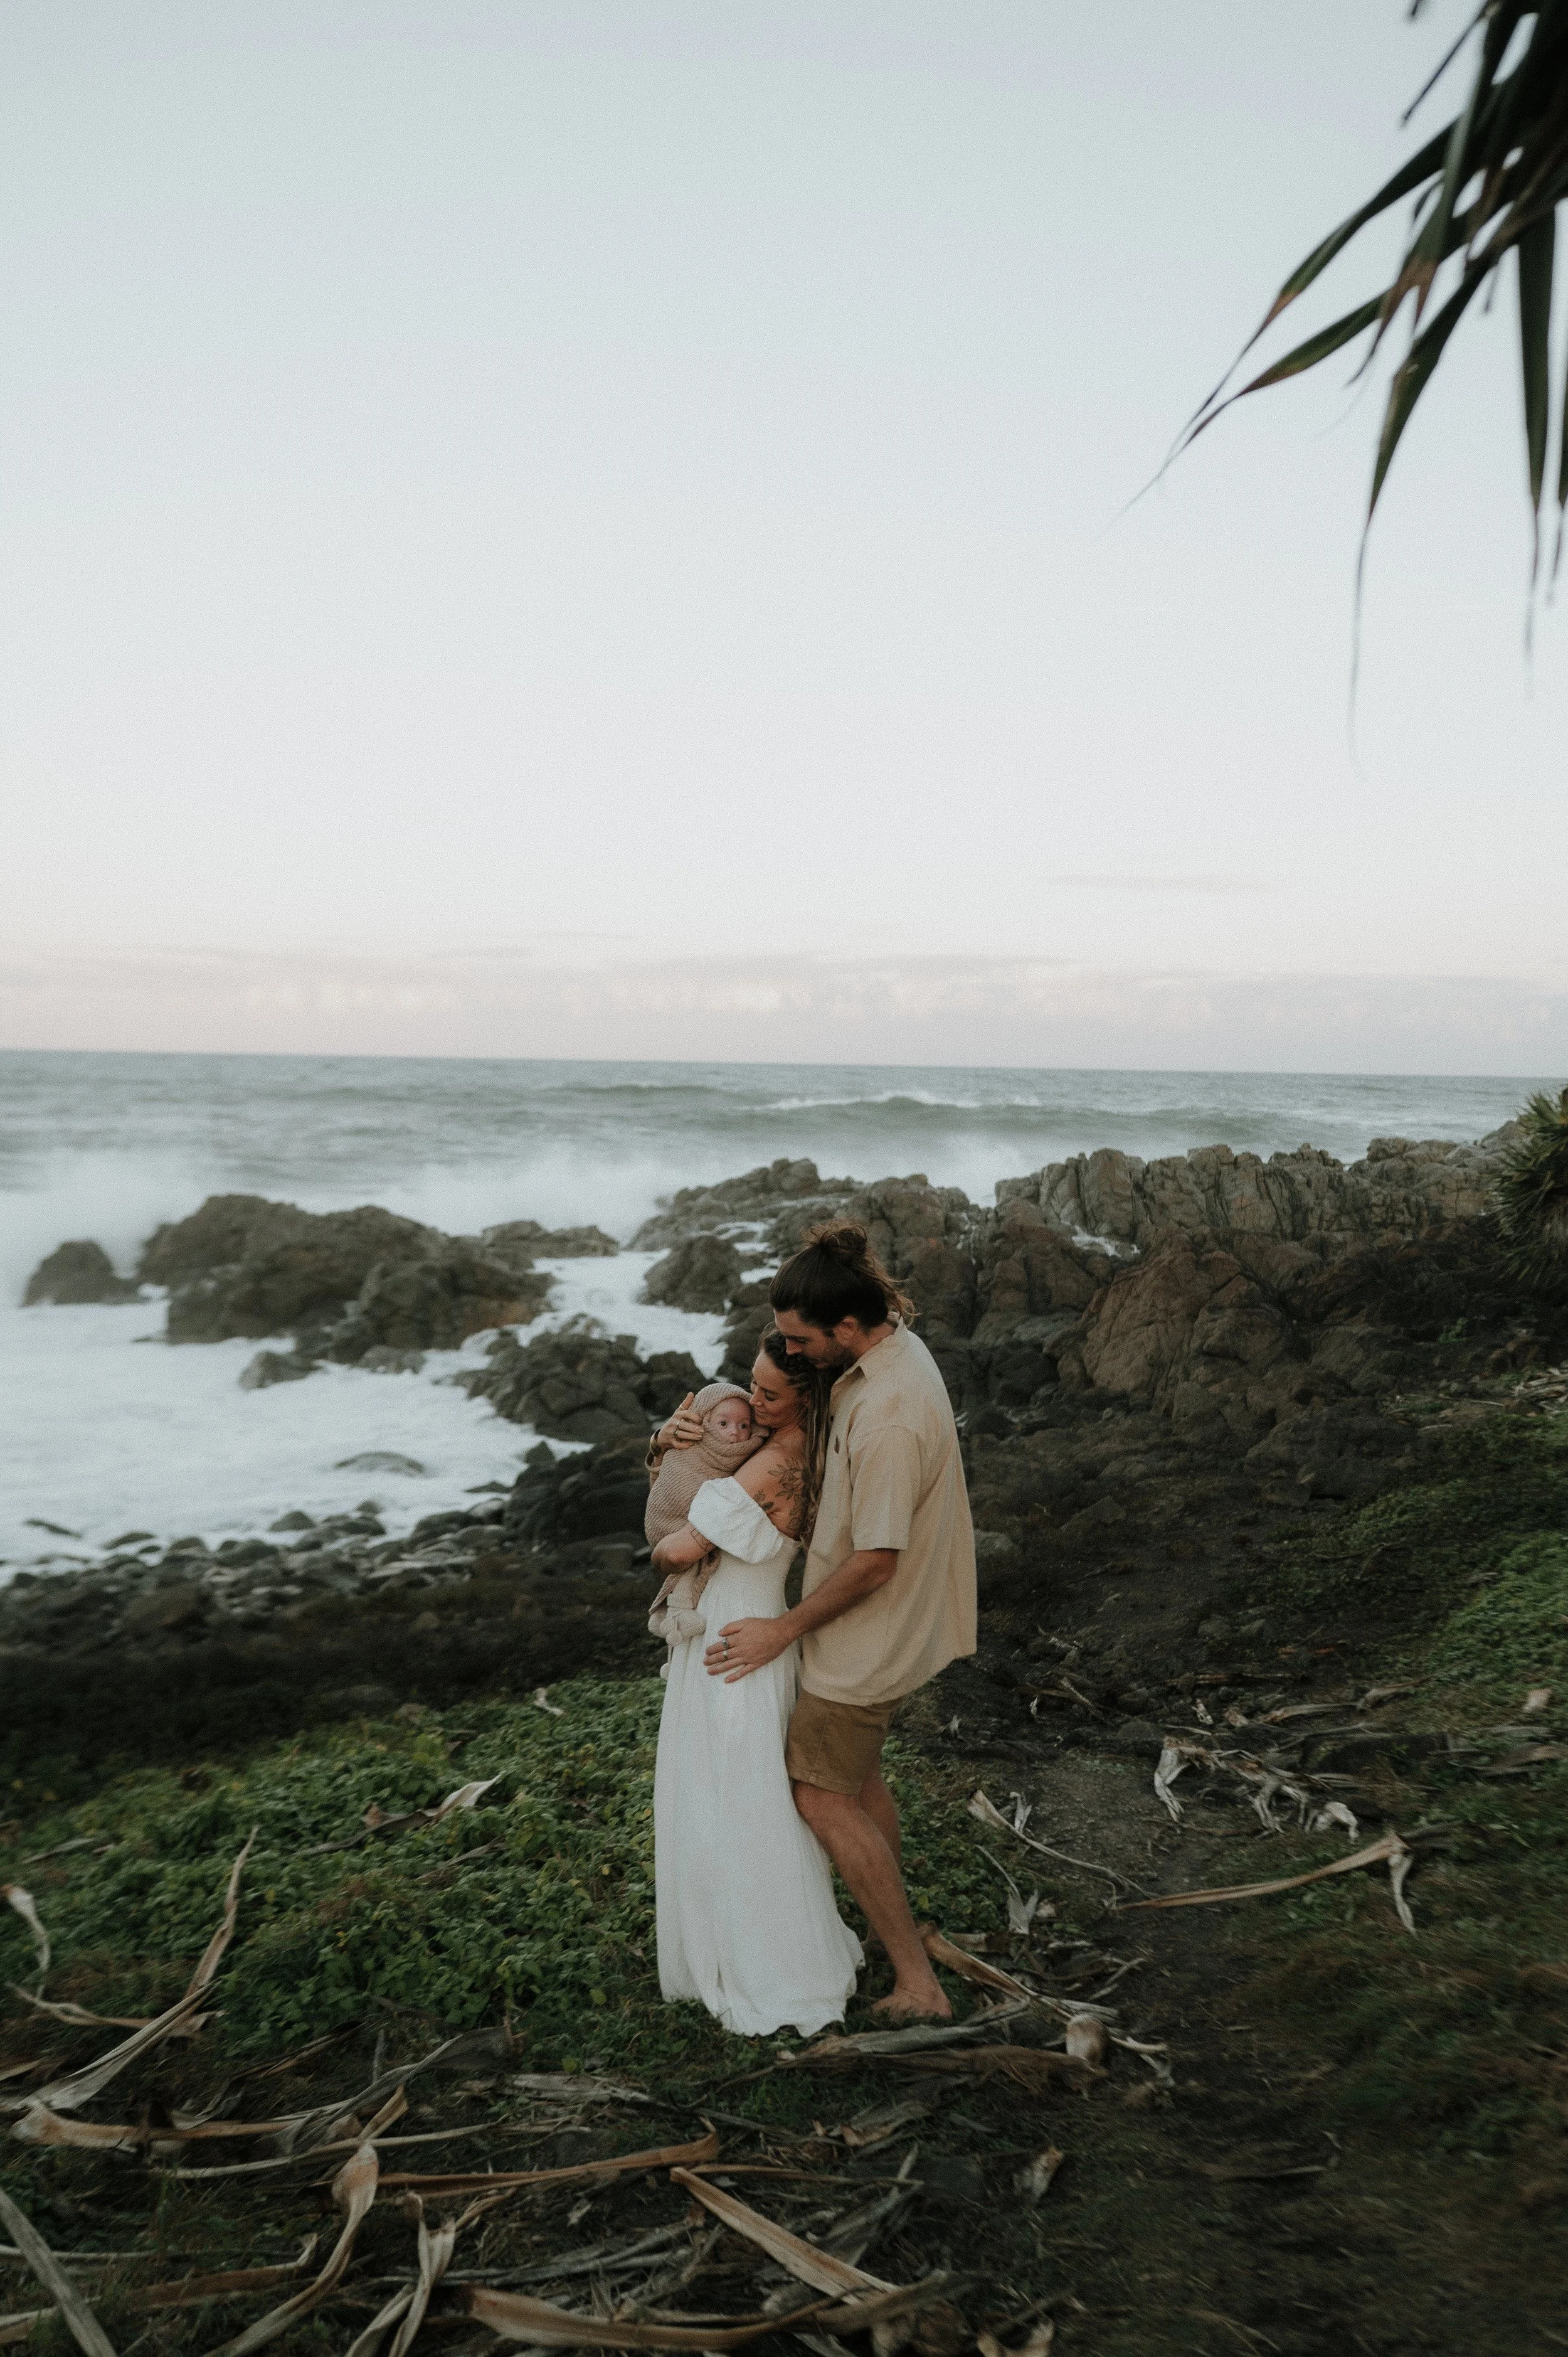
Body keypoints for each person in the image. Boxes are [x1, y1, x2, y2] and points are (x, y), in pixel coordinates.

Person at [698, 1221, 976, 2021]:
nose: (791, 1353)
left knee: (817, 1793)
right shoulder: (892, 1350)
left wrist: (781, 1630)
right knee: (854, 1781)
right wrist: (688, 1429)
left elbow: (875, 1560)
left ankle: (918, 1984)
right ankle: (898, 1925)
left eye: (798, 1339)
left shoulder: (888, 1412)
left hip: (868, 1634)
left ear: (847, 1326)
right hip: (885, 1622)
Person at [647, 1329, 861, 2037]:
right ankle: (775, 1945)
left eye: (768, 1393)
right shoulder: (815, 1448)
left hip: (729, 1640)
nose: (752, 1399)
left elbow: (675, 1549)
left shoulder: (766, 1465)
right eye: (751, 1385)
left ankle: (758, 1962)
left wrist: (667, 1463)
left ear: (803, 1396)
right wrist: (672, 1441)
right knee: (755, 1792)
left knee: (730, 1796)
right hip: (763, 1623)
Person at [644, 1382, 763, 1675]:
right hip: (676, 1531)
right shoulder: (692, 1446)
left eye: (744, 1426)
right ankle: (675, 1616)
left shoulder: (758, 1455)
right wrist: (659, 1444)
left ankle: (676, 1614)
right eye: (723, 1424)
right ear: (705, 1422)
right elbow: (671, 1481)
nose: (735, 1433)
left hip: (734, 1604)